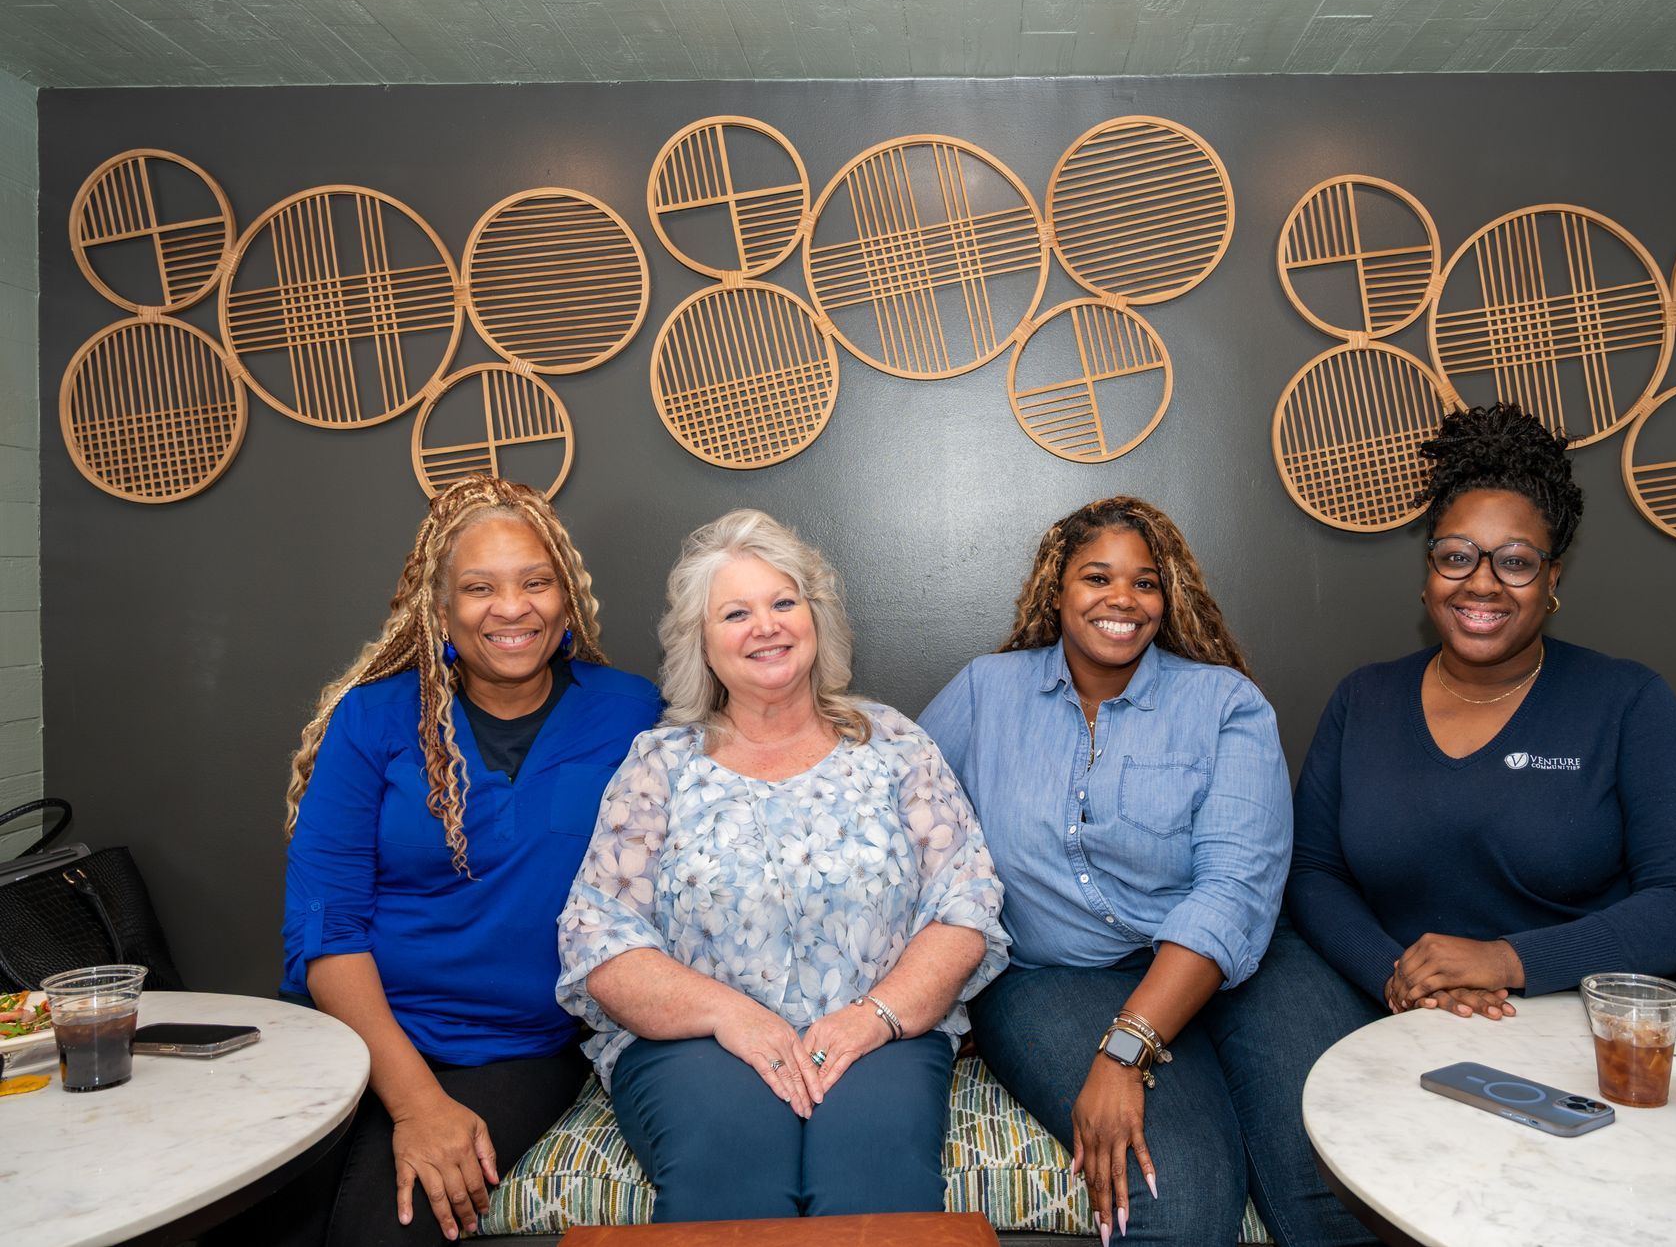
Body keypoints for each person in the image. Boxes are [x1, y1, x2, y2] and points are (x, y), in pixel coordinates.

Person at [920, 497, 1377, 1247]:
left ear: (1168, 598)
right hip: (1058, 976)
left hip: (1239, 965)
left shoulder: (1226, 702)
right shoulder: (985, 692)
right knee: (1180, 1193)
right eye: (1096, 576)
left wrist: (1128, 1045)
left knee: (1330, 1181)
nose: (1121, 600)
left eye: (1144, 582)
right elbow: (901, 814)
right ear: (1055, 589)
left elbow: (1234, 890)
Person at [555, 509, 1008, 1223]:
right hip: (697, 1042)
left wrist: (873, 1016)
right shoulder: (660, 764)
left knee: (872, 1172)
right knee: (730, 1163)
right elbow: (598, 938)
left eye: (783, 602)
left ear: (815, 619)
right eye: (736, 612)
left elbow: (966, 901)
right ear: (702, 643)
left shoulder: (892, 742)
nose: (765, 625)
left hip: (876, 1033)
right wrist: (729, 1014)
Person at [268, 476, 662, 1247]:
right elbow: (327, 935)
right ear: (440, 610)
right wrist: (414, 1100)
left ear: (566, 600)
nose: (511, 607)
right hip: (355, 1035)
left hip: (516, 1049)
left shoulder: (630, 711)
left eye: (535, 581)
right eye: (479, 587)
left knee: (384, 1229)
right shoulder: (371, 720)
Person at [1286, 404, 1676, 1024]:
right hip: (1398, 1019)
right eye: (1457, 556)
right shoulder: (1363, 699)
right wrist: (1402, 980)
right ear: (1429, 573)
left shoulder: (1629, 702)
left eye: (1516, 561)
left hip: (1580, 1028)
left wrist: (1506, 960)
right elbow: (1314, 873)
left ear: (1552, 579)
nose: (1483, 583)